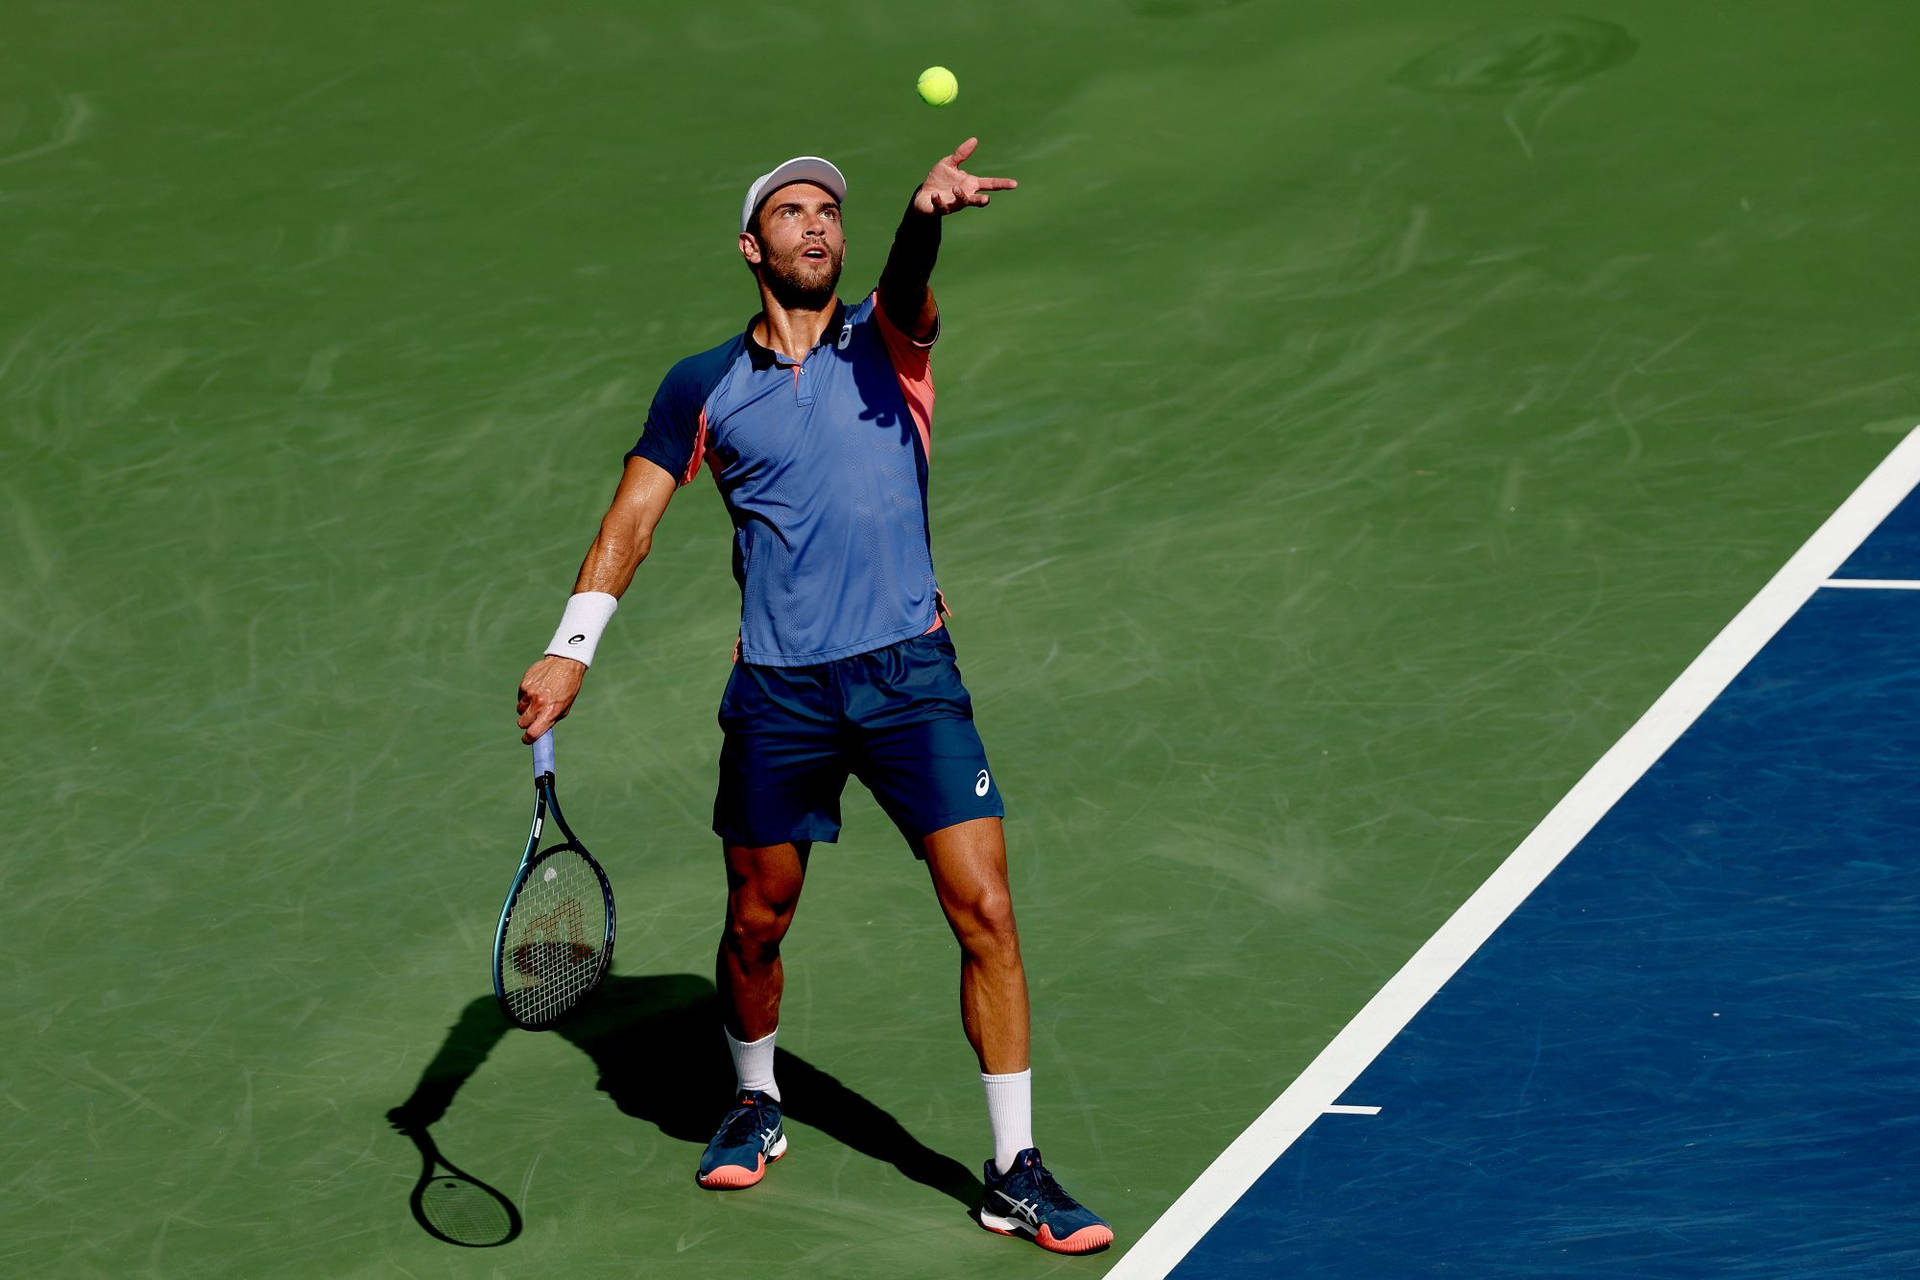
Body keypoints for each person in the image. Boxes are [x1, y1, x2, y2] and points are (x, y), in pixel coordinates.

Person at [514, 141, 1112, 1255]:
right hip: (781, 694)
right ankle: (754, 1094)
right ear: (754, 247)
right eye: (792, 212)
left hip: (910, 678)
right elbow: (631, 520)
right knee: (756, 922)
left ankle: (1016, 1169)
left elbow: (910, 271)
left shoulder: (892, 339)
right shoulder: (701, 386)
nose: (816, 224)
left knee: (986, 909)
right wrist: (570, 650)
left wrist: (925, 215)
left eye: (830, 211)